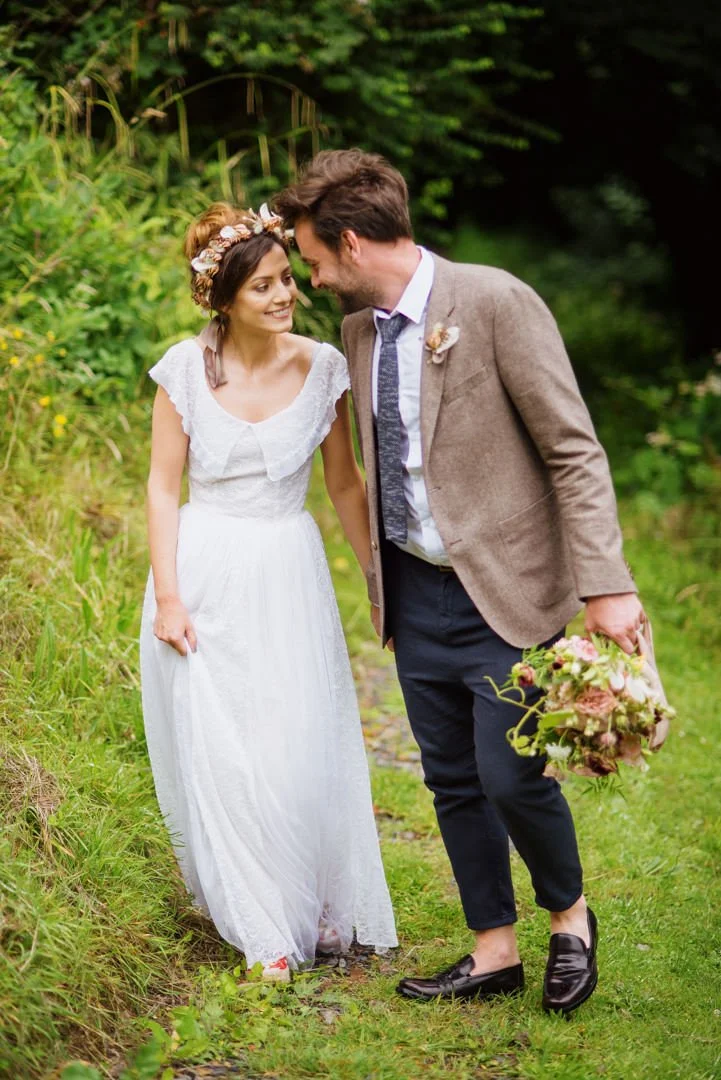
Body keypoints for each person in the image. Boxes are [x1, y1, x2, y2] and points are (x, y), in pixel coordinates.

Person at [275, 151, 645, 1013]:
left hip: (505, 587)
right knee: (449, 777)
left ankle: (569, 920)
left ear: (355, 242)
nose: (315, 276)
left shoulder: (494, 301)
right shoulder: (359, 331)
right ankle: (492, 949)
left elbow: (572, 449)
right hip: (414, 588)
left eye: (318, 259)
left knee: (512, 773)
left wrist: (606, 582)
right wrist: (380, 580)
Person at [139, 201, 397, 982]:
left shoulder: (322, 367)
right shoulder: (184, 369)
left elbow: (346, 485)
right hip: (204, 570)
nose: (285, 296)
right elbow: (159, 488)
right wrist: (170, 596)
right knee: (221, 747)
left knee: (292, 740)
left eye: (288, 279)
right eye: (264, 288)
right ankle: (262, 928)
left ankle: (306, 897)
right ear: (224, 299)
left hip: (289, 571)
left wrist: (376, 579)